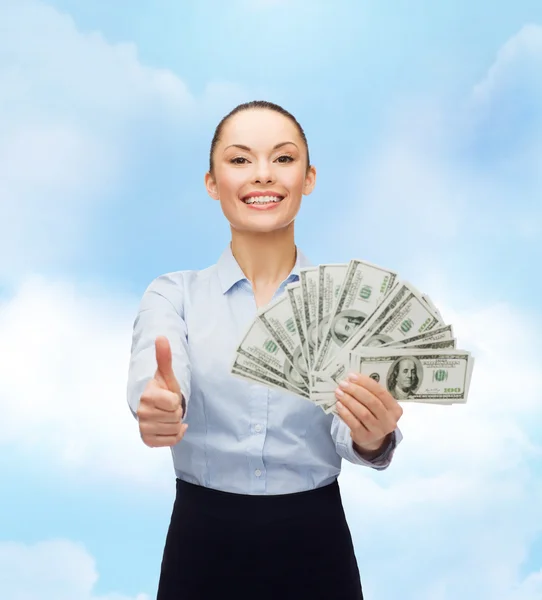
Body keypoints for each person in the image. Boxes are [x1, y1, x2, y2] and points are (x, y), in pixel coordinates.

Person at [126, 100, 404, 600]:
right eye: (239, 160)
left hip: (316, 544)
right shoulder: (173, 295)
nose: (262, 176)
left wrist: (372, 435)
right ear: (212, 182)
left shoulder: (347, 306)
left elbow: (350, 430)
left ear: (309, 177)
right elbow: (161, 377)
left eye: (282, 158)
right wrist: (160, 407)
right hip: (201, 545)